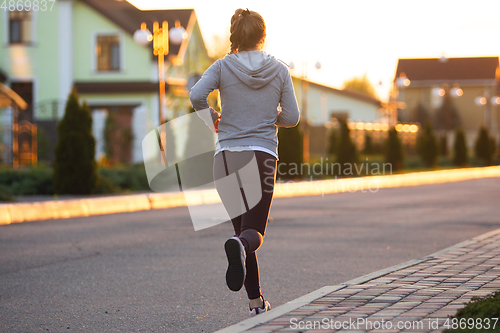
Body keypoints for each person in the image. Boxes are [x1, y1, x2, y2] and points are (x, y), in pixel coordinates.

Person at [189, 8, 300, 316]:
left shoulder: (223, 66)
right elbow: (292, 117)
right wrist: (267, 117)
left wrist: (214, 118)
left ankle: (256, 303)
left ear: (235, 37)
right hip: (261, 156)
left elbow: (197, 95)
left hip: (225, 157)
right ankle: (250, 285)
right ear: (263, 36)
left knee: (241, 235)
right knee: (253, 235)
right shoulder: (279, 70)